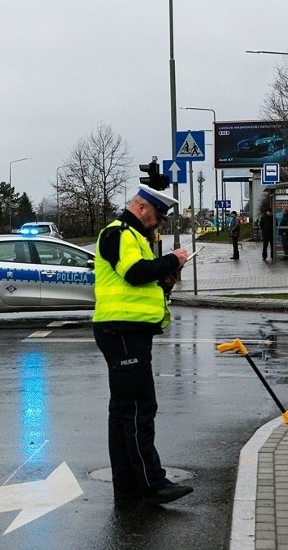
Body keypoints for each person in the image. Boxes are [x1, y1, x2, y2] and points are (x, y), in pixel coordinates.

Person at [92, 184, 193, 506]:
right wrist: (171, 260)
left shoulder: (133, 238)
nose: (159, 222)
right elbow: (134, 274)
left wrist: (166, 277)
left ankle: (128, 485)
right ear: (141, 208)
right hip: (121, 331)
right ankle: (152, 483)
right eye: (158, 215)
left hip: (126, 331)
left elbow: (139, 279)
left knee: (124, 411)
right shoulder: (119, 234)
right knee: (138, 409)